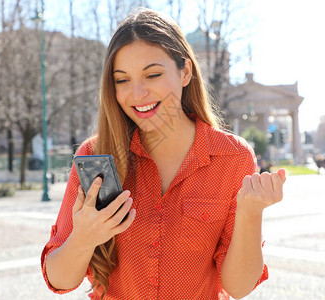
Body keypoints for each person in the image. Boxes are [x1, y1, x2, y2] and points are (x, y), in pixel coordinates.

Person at [41, 8, 286, 300]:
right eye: (122, 80)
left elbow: (238, 287)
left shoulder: (232, 157)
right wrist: (84, 237)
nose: (137, 93)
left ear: (185, 72)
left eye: (153, 75)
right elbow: (59, 281)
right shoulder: (95, 155)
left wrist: (250, 213)